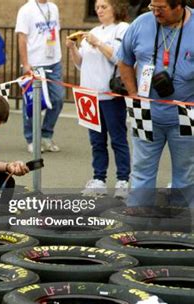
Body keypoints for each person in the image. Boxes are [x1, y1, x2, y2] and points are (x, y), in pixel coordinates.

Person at [118, 0, 194, 205]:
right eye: (153, 7)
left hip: (187, 113)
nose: (155, 13)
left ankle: (183, 225)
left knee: (185, 173)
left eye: (161, 9)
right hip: (144, 110)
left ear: (179, 5)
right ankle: (137, 222)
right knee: (141, 170)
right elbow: (124, 60)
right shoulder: (141, 23)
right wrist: (133, 93)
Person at [66, 0, 131, 198]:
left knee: (118, 139)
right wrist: (72, 49)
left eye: (104, 7)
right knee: (96, 141)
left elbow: (119, 57)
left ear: (115, 8)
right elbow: (80, 64)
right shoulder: (92, 31)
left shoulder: (122, 29)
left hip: (110, 94)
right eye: (97, 8)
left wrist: (98, 43)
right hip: (89, 95)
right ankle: (99, 179)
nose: (99, 11)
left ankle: (123, 180)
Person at [15, 0, 65, 153]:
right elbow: (22, 38)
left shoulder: (53, 7)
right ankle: (31, 138)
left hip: (54, 61)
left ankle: (46, 135)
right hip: (35, 63)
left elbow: (55, 32)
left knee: (58, 98)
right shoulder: (26, 9)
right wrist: (25, 64)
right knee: (32, 103)